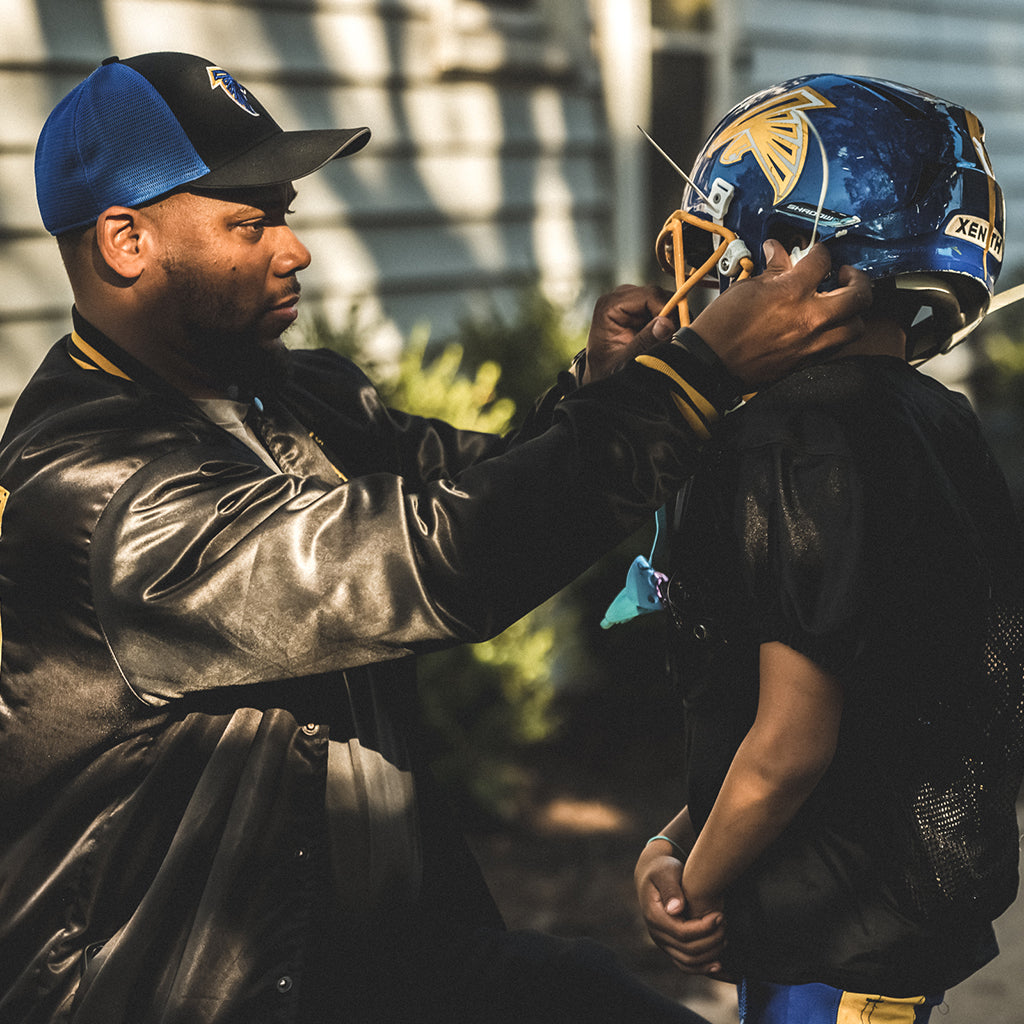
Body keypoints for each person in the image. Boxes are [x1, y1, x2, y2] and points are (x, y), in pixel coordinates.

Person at [0, 52, 870, 1024]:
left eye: (287, 211)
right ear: (126, 241)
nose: (295, 250)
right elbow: (431, 559)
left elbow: (477, 491)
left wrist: (605, 387)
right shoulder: (97, 495)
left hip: (382, 959)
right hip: (194, 991)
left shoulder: (286, 392)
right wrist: (695, 377)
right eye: (251, 224)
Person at [631, 74, 1024, 1023]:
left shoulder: (795, 437)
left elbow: (792, 742)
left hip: (833, 940)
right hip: (879, 911)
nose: (709, 276)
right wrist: (675, 837)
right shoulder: (936, 420)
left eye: (727, 251)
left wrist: (693, 888)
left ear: (798, 261)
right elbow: (870, 690)